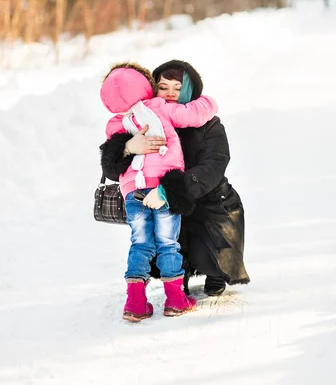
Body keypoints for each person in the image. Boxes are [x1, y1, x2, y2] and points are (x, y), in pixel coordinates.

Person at [100, 59, 250, 299]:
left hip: (206, 198)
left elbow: (214, 165)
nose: (170, 93)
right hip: (161, 200)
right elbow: (110, 170)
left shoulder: (208, 123)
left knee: (213, 245)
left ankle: (215, 272)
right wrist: (127, 147)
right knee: (164, 233)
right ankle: (178, 280)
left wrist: (171, 191)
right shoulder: (142, 120)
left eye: (178, 88)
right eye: (163, 86)